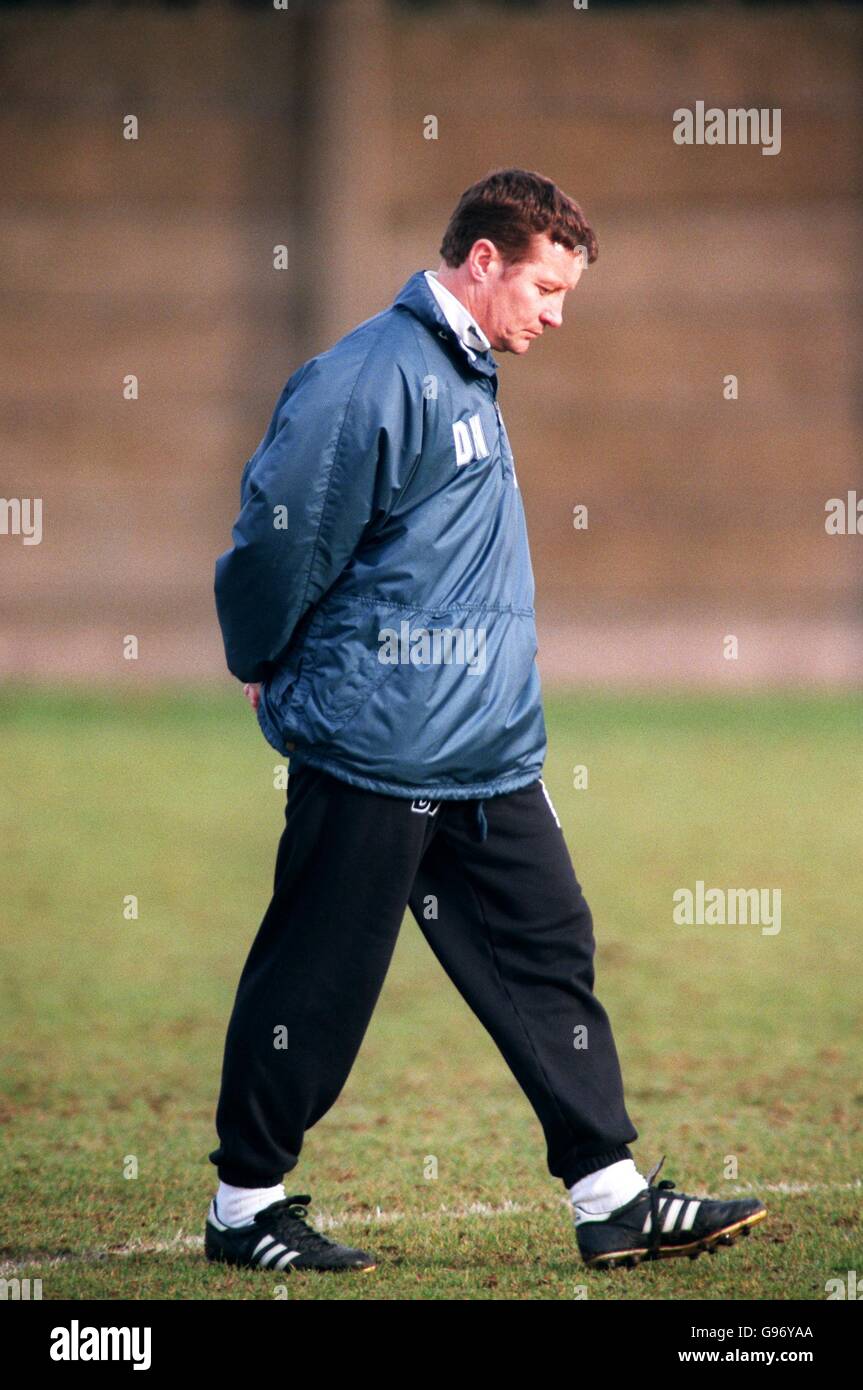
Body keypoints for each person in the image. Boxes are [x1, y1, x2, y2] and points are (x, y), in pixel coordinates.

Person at [205, 168, 767, 1273]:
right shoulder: (369, 376)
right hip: (376, 747)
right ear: (482, 263)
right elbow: (279, 535)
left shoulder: (464, 373)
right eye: (546, 289)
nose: (554, 315)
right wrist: (259, 657)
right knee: (315, 980)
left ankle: (609, 1197)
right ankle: (243, 1208)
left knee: (547, 954)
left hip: (486, 752)